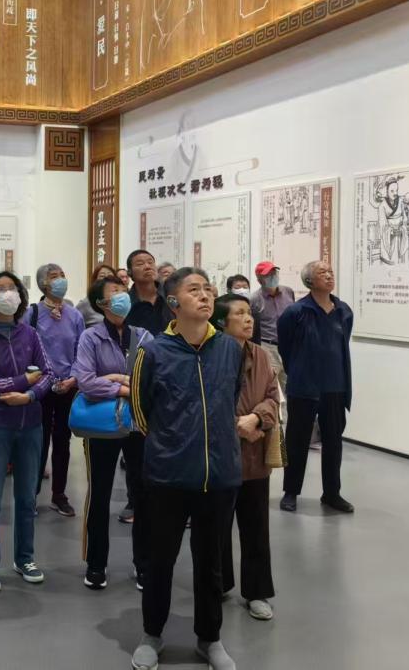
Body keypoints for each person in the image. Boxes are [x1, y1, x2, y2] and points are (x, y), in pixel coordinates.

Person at [129, 267, 243, 670]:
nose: (205, 295)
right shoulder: (153, 352)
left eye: (208, 289)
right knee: (160, 560)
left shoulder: (229, 348)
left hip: (220, 474)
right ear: (174, 302)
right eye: (194, 290)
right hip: (168, 475)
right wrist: (171, 444)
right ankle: (151, 634)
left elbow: (231, 398)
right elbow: (140, 410)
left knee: (211, 562)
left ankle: (209, 638)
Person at [0, 272, 54, 593]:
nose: (8, 294)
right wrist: (23, 382)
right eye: (1, 289)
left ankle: (25, 558)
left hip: (30, 424)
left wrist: (29, 395)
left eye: (12, 288)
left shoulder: (29, 333)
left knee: (26, 498)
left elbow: (48, 374)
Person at [71, 275, 150, 590]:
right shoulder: (90, 337)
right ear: (101, 303)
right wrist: (123, 385)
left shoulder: (143, 336)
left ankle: (143, 564)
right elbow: (85, 382)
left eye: (123, 291)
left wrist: (115, 380)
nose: (122, 296)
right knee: (99, 493)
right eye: (114, 292)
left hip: (139, 424)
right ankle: (96, 564)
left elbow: (153, 378)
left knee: (143, 494)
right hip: (101, 426)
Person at [211, 295, 278, 621]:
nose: (248, 319)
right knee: (217, 526)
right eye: (239, 313)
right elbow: (206, 401)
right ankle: (218, 582)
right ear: (222, 322)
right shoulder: (209, 354)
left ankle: (257, 591)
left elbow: (273, 397)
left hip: (254, 456)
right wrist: (237, 425)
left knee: (256, 528)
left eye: (249, 313)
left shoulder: (262, 355)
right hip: (221, 455)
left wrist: (256, 419)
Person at [277, 261, 354, 514]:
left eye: (330, 271)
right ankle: (291, 491)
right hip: (304, 386)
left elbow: (342, 344)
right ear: (310, 281)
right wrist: (299, 370)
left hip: (335, 386)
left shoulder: (343, 310)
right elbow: (285, 348)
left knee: (333, 442)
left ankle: (332, 493)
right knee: (297, 441)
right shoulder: (296, 312)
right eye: (323, 273)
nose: (329, 275)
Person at [24, 263, 84, 517]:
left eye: (62, 275)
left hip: (67, 386)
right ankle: (32, 493)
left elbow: (81, 351)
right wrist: (42, 378)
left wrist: (72, 378)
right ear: (43, 284)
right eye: (53, 276)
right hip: (41, 386)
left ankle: (59, 494)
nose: (60, 280)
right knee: (39, 440)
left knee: (63, 440)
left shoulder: (75, 316)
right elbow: (25, 349)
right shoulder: (32, 314)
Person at [122, 249, 174, 523]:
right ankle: (135, 501)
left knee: (171, 440)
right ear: (131, 272)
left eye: (150, 262)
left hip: (172, 375)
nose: (147, 266)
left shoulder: (171, 299)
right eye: (140, 263)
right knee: (136, 445)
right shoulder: (126, 303)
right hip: (138, 376)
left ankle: (171, 502)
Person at [250, 261, 295, 421]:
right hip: (268, 346)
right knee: (273, 389)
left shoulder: (288, 292)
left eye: (274, 273)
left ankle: (291, 425)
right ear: (259, 280)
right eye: (268, 275)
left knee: (290, 386)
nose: (273, 277)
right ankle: (277, 426)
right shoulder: (255, 299)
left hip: (289, 346)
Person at [76, 263, 117, 328]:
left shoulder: (120, 300)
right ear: (95, 281)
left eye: (110, 275)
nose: (106, 279)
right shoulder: (86, 304)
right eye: (102, 276)